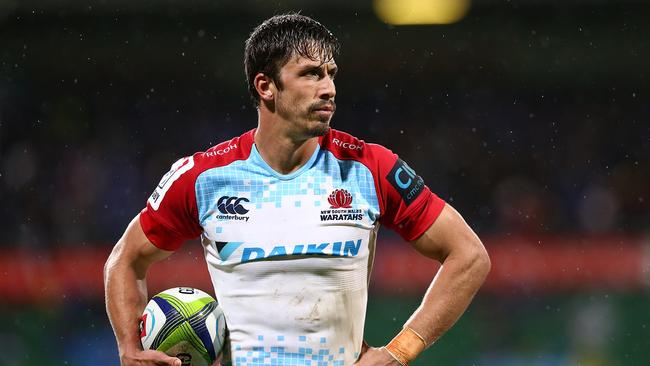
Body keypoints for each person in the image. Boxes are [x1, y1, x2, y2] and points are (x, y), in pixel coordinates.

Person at [104, 13, 490, 366]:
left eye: (331, 73)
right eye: (310, 74)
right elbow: (124, 260)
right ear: (266, 86)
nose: (329, 88)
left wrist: (399, 352)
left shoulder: (370, 168)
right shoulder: (204, 177)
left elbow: (469, 256)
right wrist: (128, 349)